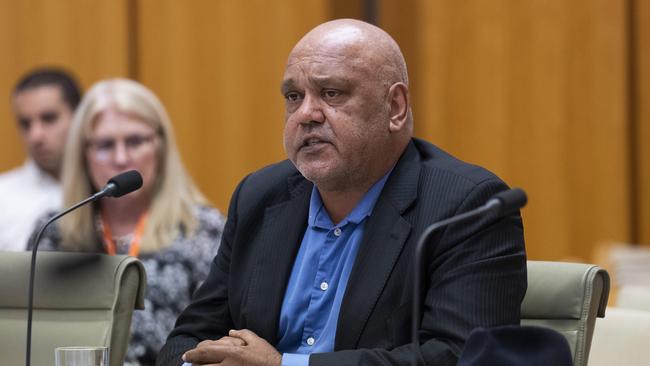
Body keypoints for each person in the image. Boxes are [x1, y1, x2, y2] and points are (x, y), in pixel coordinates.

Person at [157, 19, 526, 366]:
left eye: (331, 93)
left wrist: (283, 364)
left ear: (394, 107)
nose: (306, 114)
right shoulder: (260, 196)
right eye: (292, 96)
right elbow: (187, 338)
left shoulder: (466, 207)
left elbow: (459, 356)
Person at [30, 78, 226, 366]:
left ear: (161, 147)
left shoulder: (203, 231)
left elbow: (219, 338)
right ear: (83, 154)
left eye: (135, 141)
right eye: (105, 145)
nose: (121, 158)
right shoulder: (54, 231)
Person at [0, 68, 81, 251]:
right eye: (25, 124)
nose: (35, 136)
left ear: (79, 116)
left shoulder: (110, 190)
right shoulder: (2, 195)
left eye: (49, 118)